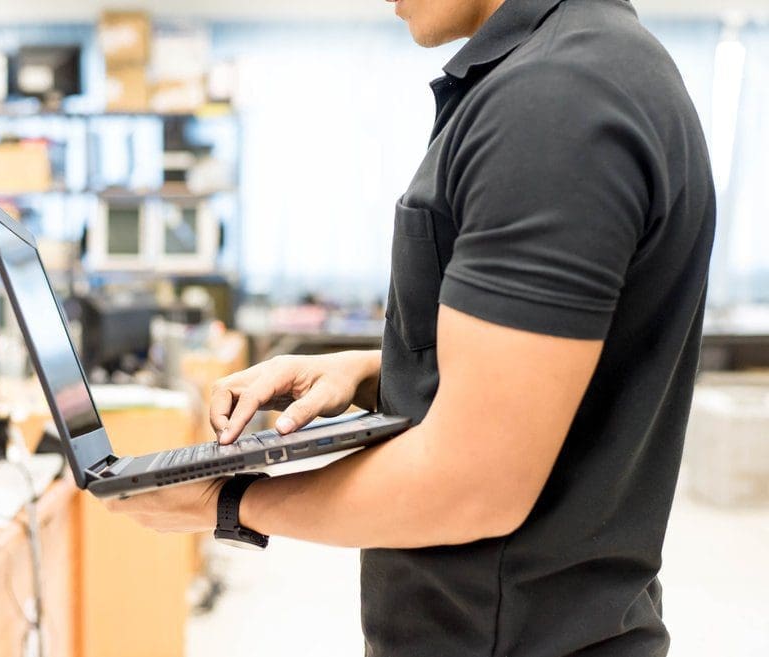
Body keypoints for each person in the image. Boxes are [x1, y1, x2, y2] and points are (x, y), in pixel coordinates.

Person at [107, 0, 716, 654]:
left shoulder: (556, 99)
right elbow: (564, 376)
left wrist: (230, 502)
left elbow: (474, 484)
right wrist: (373, 370)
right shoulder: (599, 63)